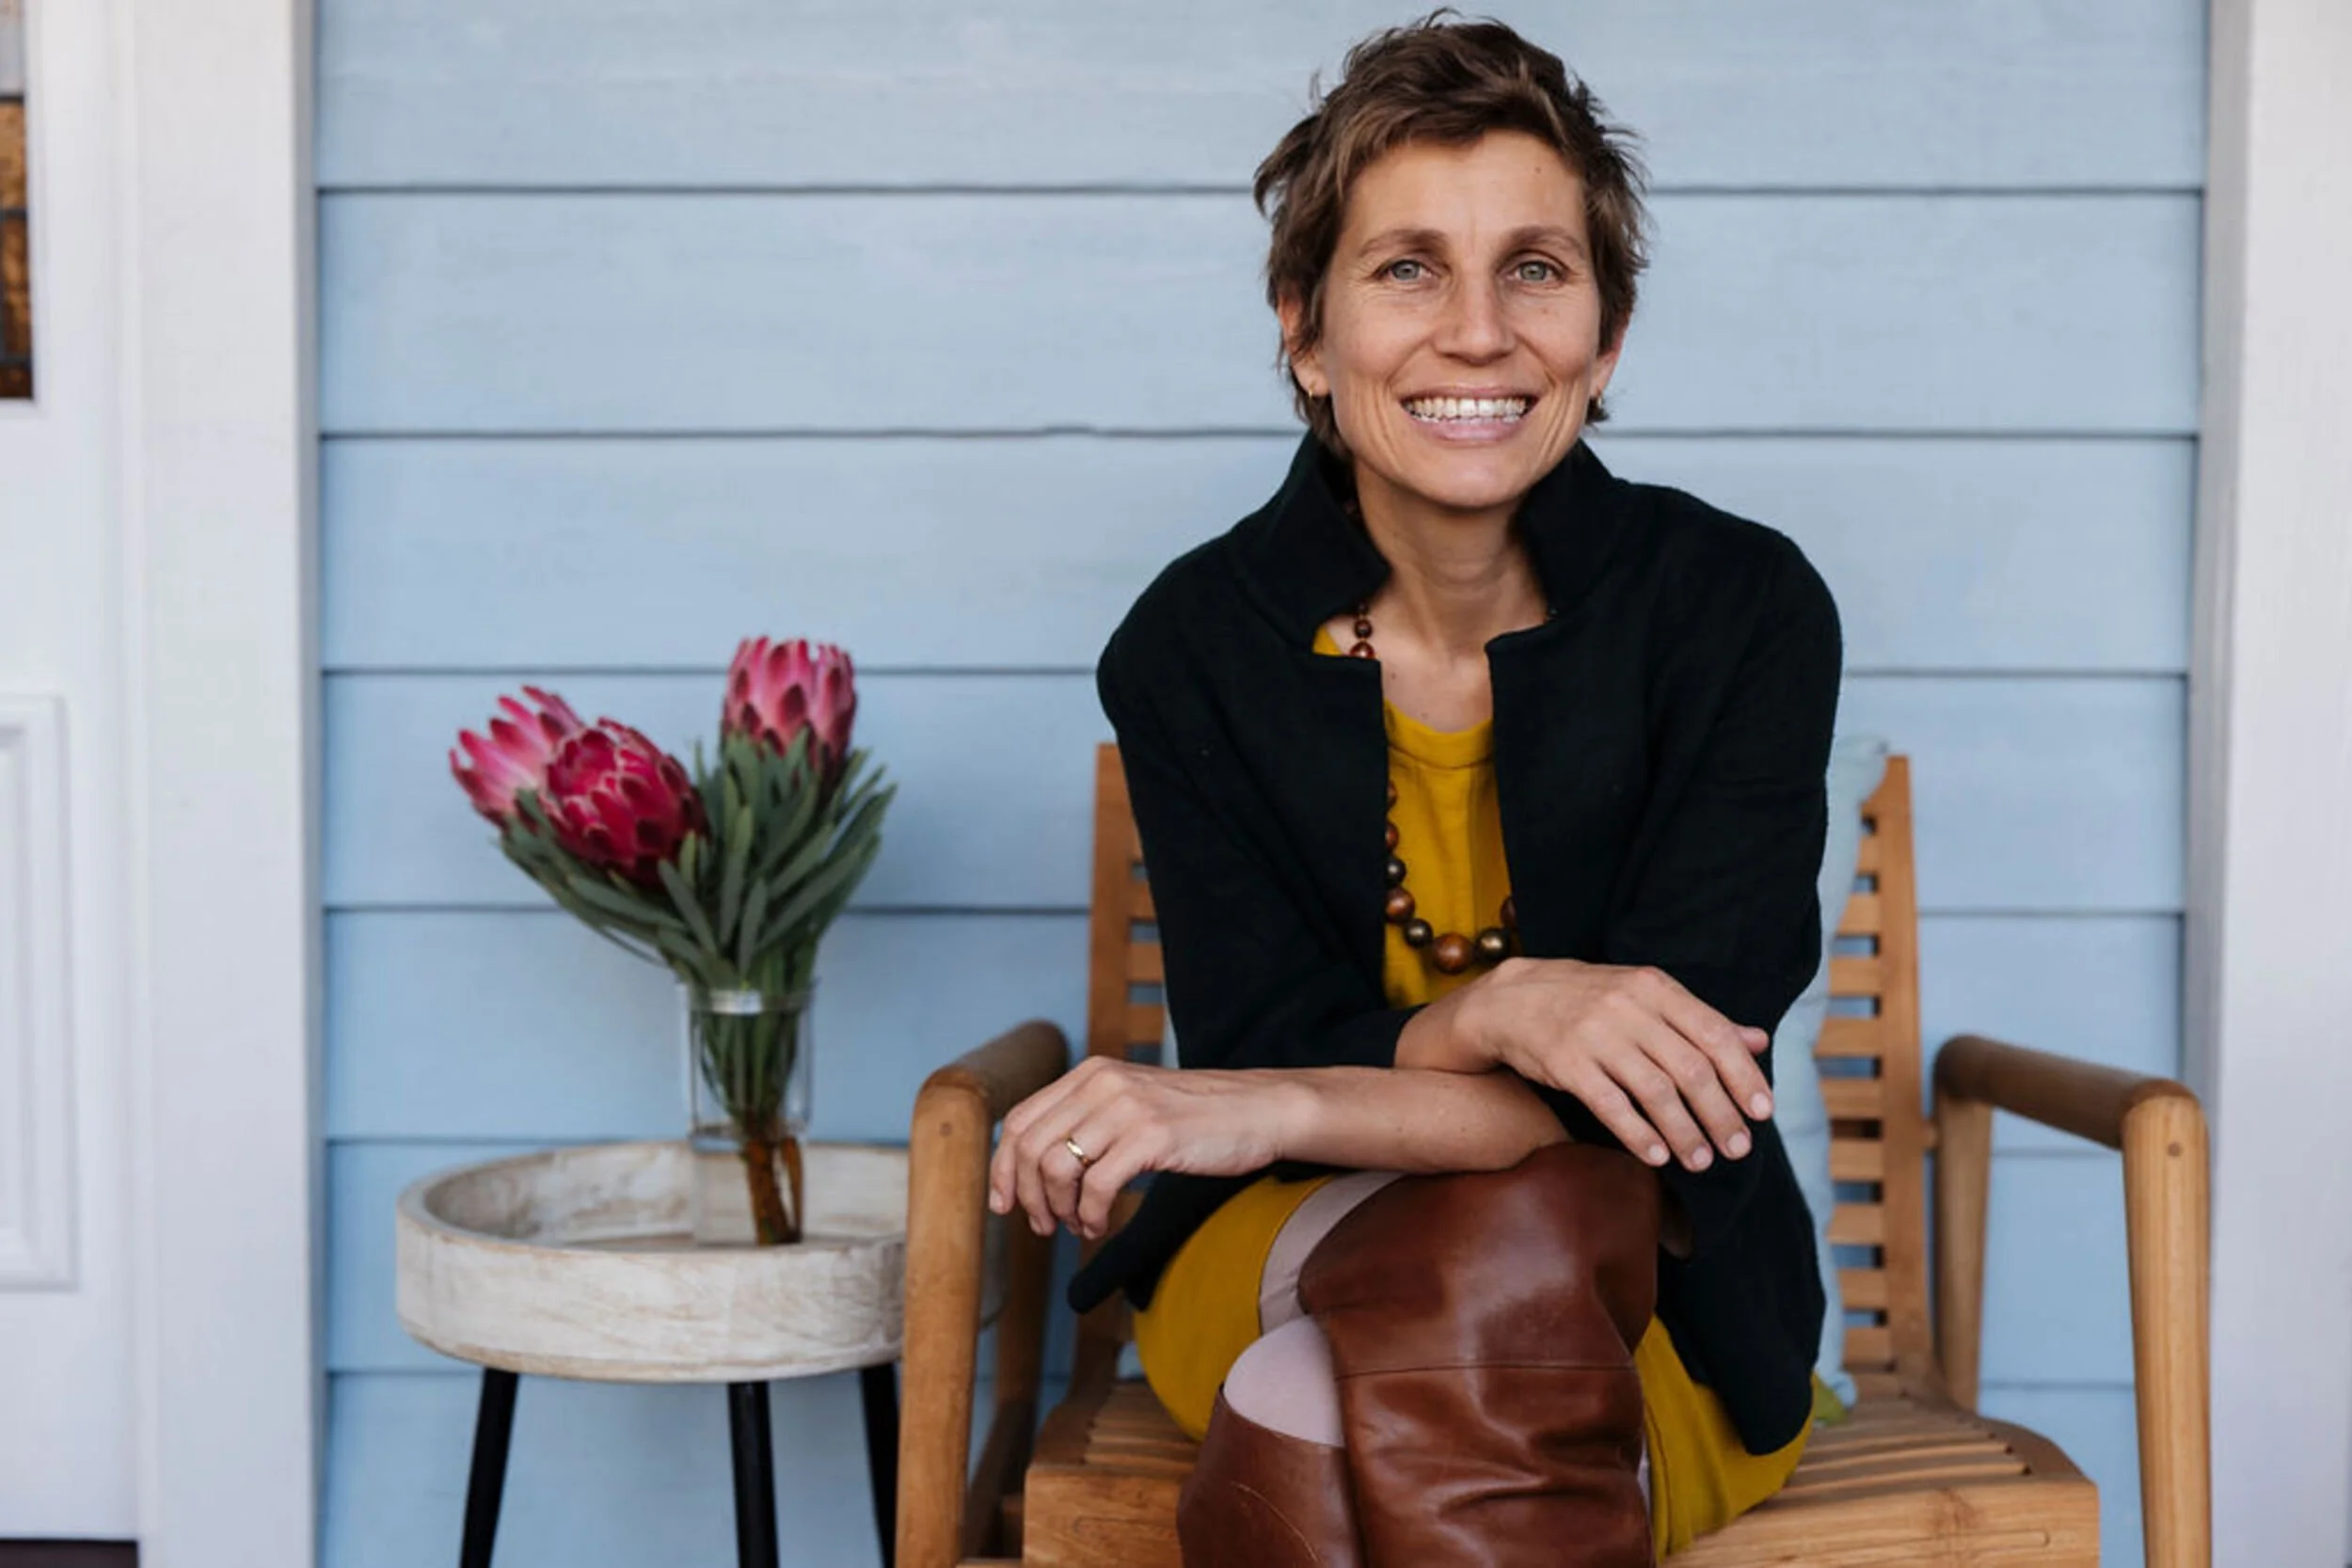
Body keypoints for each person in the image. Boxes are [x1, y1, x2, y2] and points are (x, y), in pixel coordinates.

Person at [987, 15, 1842, 1564]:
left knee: (1371, 1375)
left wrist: (1281, 1097)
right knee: (1491, 1268)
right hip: (1289, 1233)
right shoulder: (1193, 648)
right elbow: (1258, 1031)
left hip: (1650, 1287)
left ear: (1609, 329)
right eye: (1406, 270)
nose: (1476, 331)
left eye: (1534, 266)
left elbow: (1657, 1097)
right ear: (1306, 331)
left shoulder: (1744, 611)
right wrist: (1506, 1013)